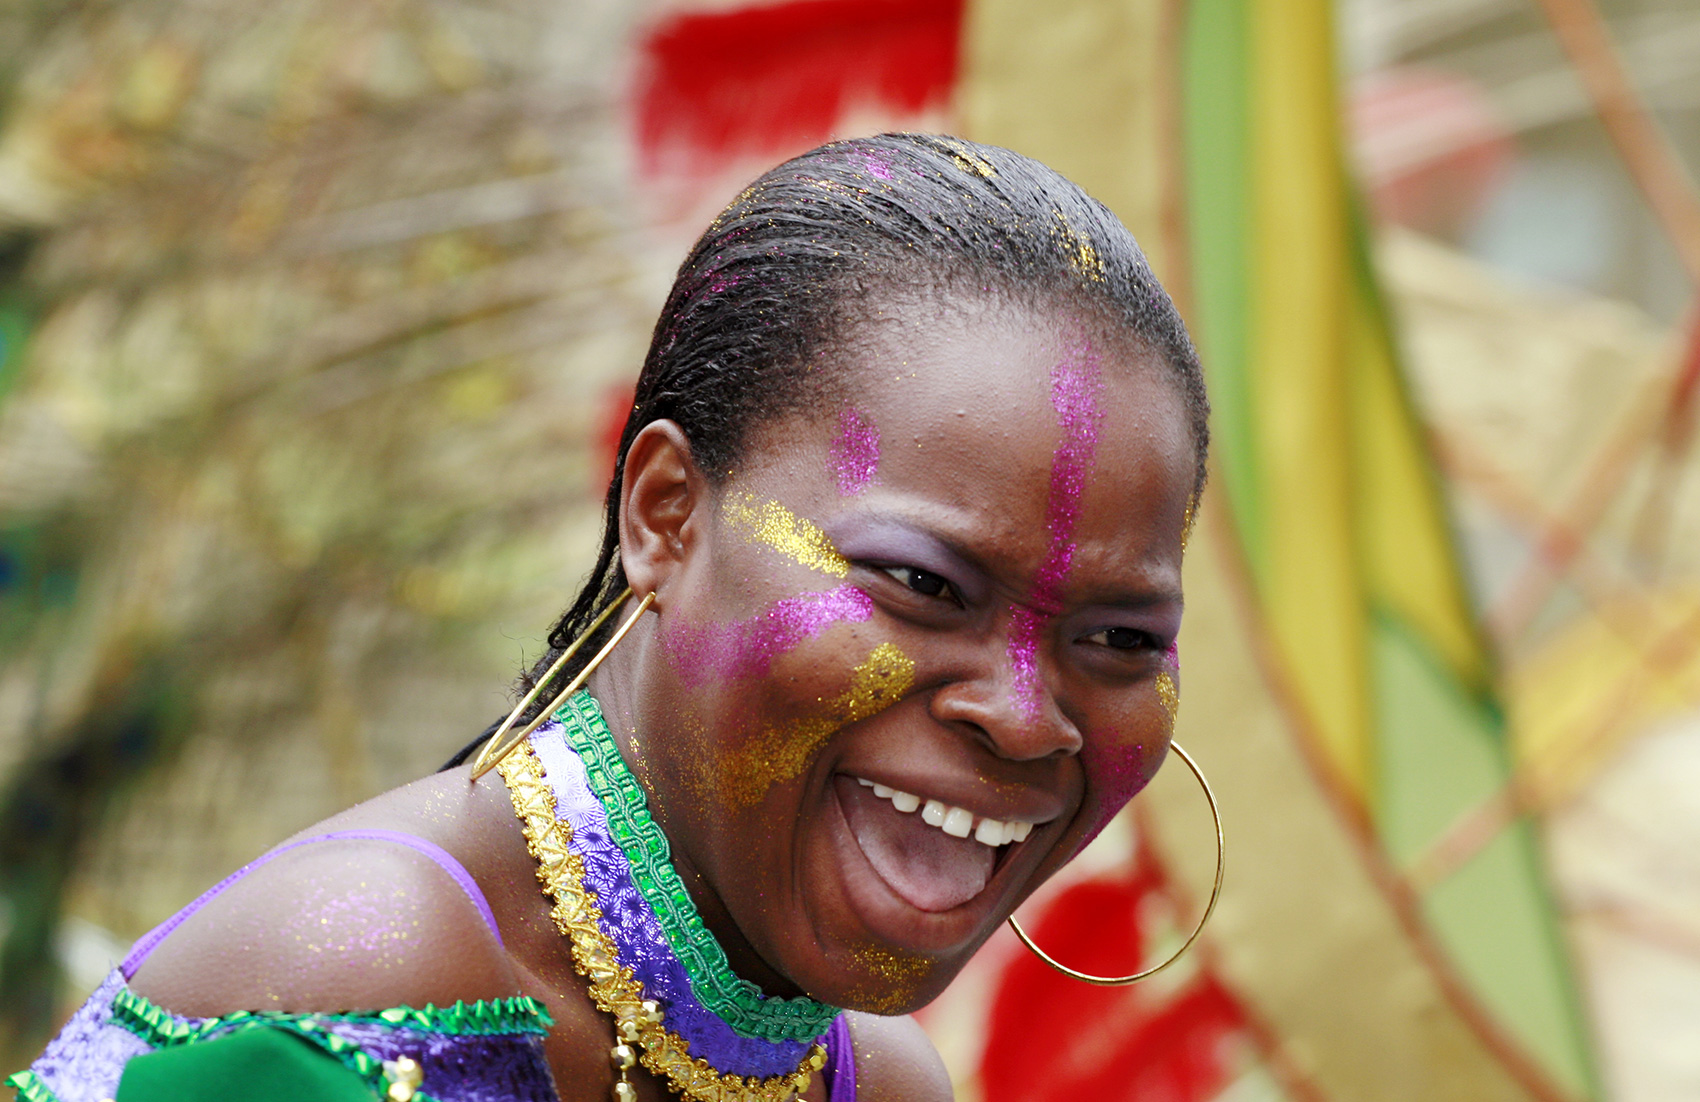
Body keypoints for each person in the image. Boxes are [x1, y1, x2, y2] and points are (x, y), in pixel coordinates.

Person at [10, 132, 1209, 1102]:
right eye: (923, 585)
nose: (1022, 716)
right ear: (665, 515)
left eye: (1116, 639)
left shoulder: (874, 1083)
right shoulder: (374, 999)